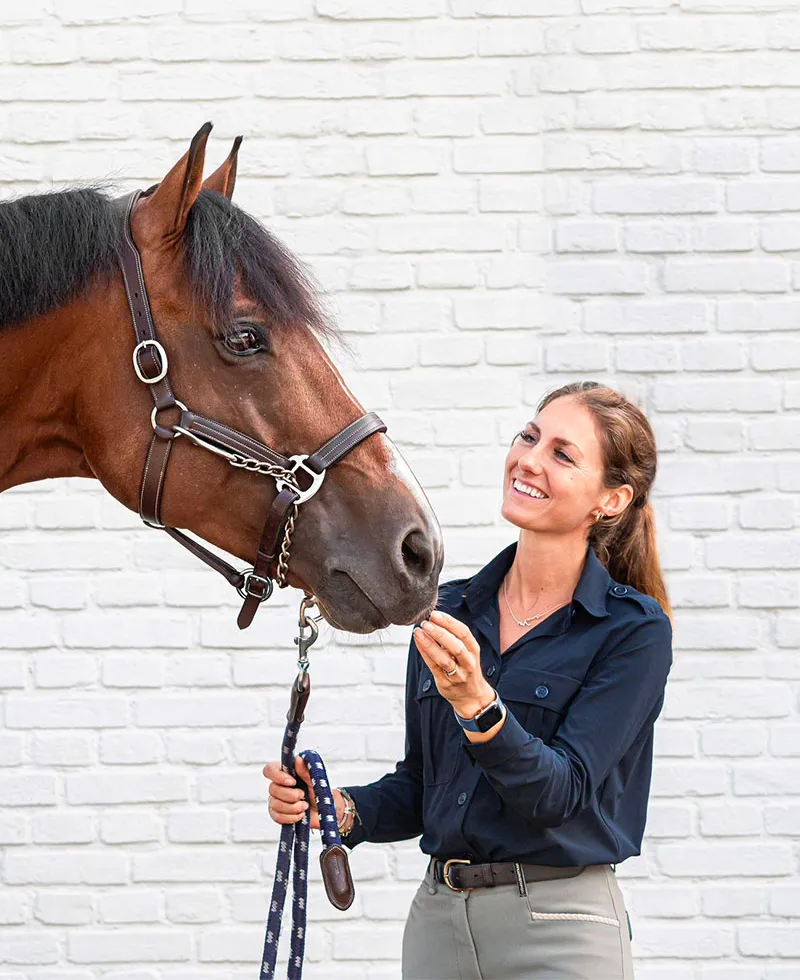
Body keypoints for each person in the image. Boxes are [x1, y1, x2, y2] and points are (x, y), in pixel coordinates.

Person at [263, 381, 673, 980]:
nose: (529, 459)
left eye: (562, 453)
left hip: (561, 931)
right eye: (529, 437)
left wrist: (480, 706)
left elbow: (561, 794)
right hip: (439, 926)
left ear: (610, 500)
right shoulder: (449, 610)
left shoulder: (632, 633)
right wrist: (339, 810)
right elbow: (424, 784)